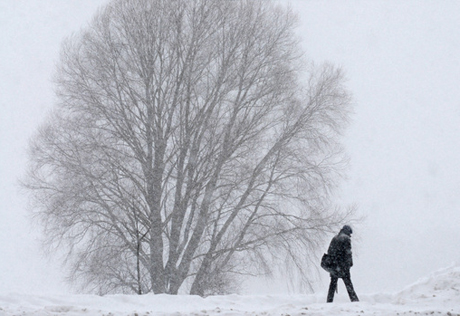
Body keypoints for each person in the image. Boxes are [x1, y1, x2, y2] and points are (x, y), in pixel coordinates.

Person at [326, 225, 359, 303]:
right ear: (347, 231)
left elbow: (329, 251)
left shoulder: (335, 238)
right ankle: (354, 300)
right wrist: (349, 264)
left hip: (334, 266)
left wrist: (333, 263)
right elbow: (348, 253)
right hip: (343, 266)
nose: (350, 235)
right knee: (348, 284)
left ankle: (329, 301)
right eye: (350, 233)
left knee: (332, 284)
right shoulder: (346, 239)